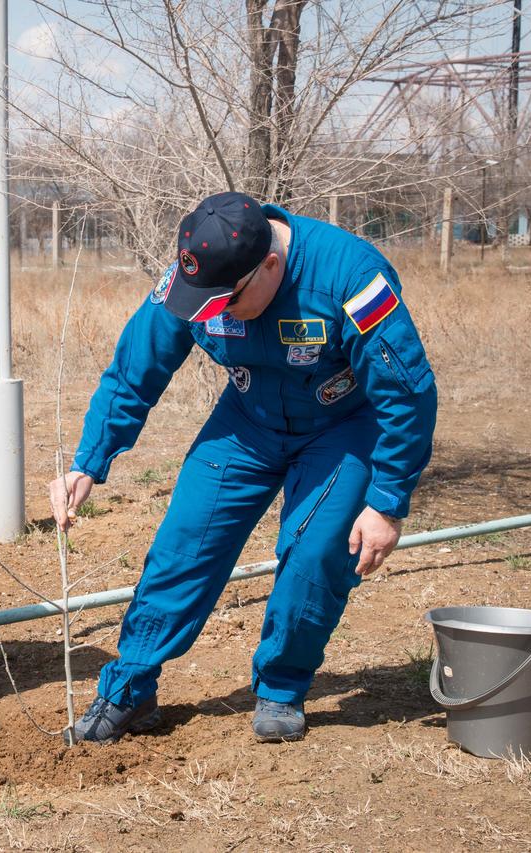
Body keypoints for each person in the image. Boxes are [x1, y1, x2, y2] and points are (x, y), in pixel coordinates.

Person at [49, 191, 437, 744]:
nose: (213, 314)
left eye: (223, 304)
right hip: (248, 419)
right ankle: (130, 687)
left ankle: (281, 685)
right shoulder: (202, 274)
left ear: (270, 267)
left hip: (341, 426)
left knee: (313, 551)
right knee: (185, 542)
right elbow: (136, 366)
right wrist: (89, 460)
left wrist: (387, 501)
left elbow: (408, 394)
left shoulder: (352, 276)